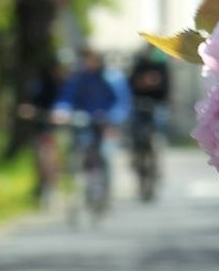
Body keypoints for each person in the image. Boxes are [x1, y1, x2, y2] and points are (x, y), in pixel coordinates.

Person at [53, 49, 131, 207]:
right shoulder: (79, 78)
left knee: (104, 153)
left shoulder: (112, 78)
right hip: (84, 121)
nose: (88, 63)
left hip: (105, 122)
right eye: (85, 59)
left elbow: (122, 102)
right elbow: (67, 97)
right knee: (79, 148)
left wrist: (112, 118)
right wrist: (61, 110)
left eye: (91, 59)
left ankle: (105, 191)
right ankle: (80, 183)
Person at [18, 55, 65, 207]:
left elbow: (65, 105)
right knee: (40, 158)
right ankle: (42, 187)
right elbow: (31, 103)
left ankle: (54, 184)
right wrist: (29, 110)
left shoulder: (63, 85)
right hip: (40, 125)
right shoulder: (39, 84)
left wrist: (59, 115)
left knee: (53, 157)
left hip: (55, 127)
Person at [127, 47, 171, 201]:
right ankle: (134, 153)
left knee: (158, 131)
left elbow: (166, 87)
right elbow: (132, 85)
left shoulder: (162, 64)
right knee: (135, 131)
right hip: (139, 104)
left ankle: (158, 150)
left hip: (157, 104)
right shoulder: (139, 63)